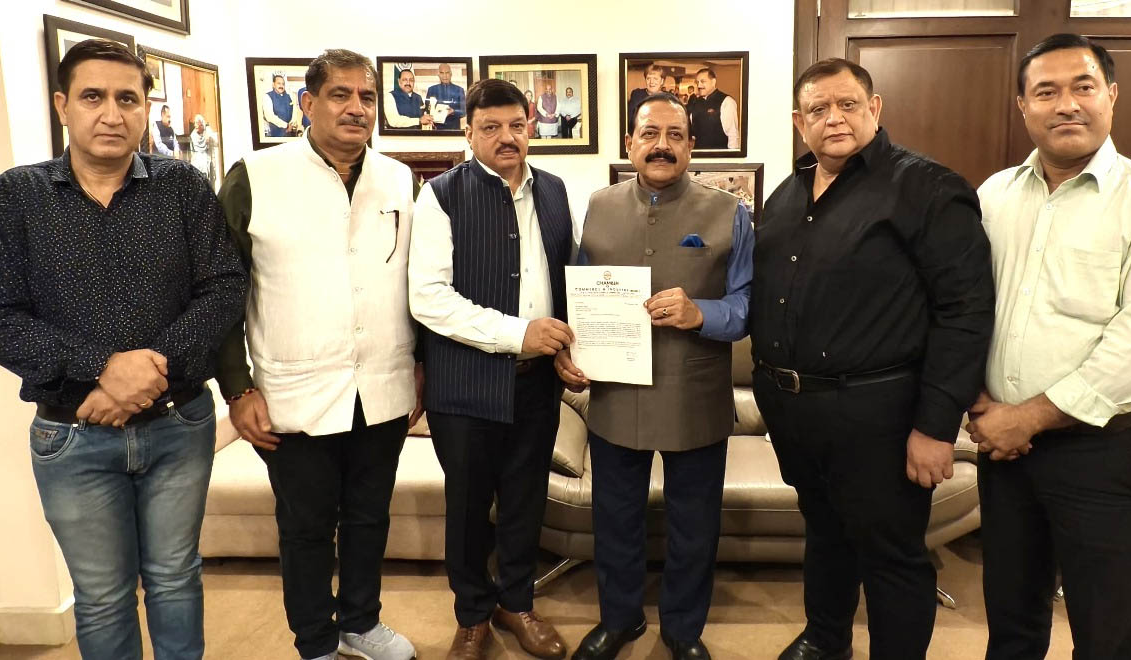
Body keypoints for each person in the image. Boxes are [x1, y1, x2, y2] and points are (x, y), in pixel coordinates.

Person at [0, 38, 247, 660]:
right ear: (63, 105)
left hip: (178, 426)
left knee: (176, 578)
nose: (112, 114)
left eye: (128, 99)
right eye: (93, 97)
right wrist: (103, 369)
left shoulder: (182, 187)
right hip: (72, 435)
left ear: (146, 109)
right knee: (101, 597)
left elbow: (225, 285)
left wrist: (150, 370)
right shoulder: (18, 196)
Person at [969, 33, 1131, 660]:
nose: (1066, 104)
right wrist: (980, 401)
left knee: (1108, 636)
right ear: (1023, 106)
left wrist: (1027, 417)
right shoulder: (993, 197)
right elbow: (966, 308)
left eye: (1083, 87)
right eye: (1046, 91)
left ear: (1111, 96)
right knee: (1012, 627)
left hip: (1106, 452)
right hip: (1006, 452)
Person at [751, 58, 994, 660]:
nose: (833, 118)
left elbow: (964, 313)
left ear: (874, 108)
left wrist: (936, 426)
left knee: (892, 556)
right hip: (794, 411)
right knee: (824, 532)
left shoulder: (927, 188)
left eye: (847, 104)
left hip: (879, 412)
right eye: (818, 109)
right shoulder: (786, 195)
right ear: (799, 122)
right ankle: (825, 638)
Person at [215, 49, 421, 660]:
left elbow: (416, 284)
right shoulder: (256, 176)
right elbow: (219, 292)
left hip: (382, 387)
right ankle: (316, 642)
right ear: (307, 103)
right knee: (305, 528)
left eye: (367, 97)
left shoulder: (399, 179)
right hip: (292, 393)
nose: (357, 108)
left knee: (369, 518)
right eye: (340, 95)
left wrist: (422, 366)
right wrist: (237, 387)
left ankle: (361, 623)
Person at [559, 92, 753, 660]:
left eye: (675, 135)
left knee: (694, 525)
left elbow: (747, 305)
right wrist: (569, 348)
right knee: (615, 519)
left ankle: (683, 630)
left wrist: (701, 312)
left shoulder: (729, 212)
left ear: (692, 146)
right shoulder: (597, 207)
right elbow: (580, 294)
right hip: (615, 394)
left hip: (695, 394)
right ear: (630, 144)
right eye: (650, 134)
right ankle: (619, 620)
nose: (661, 145)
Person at [408, 78, 575, 660]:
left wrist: (568, 344)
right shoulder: (440, 196)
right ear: (468, 132)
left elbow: (566, 279)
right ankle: (473, 614)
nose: (507, 137)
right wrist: (517, 334)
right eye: (491, 127)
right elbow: (428, 298)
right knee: (468, 510)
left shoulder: (554, 190)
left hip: (537, 385)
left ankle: (517, 603)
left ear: (531, 126)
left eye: (516, 126)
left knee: (526, 502)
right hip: (464, 388)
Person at [687, 69, 739, 150]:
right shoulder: (695, 103)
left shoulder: (727, 101)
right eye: (697, 82)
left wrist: (732, 156)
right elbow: (693, 133)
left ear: (713, 82)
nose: (699, 85)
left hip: (719, 155)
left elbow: (733, 135)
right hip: (698, 154)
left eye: (703, 81)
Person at [427, 63, 467, 130]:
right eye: (442, 73)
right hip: (436, 129)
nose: (445, 76)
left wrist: (453, 111)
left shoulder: (459, 90)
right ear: (438, 75)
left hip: (454, 129)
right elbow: (427, 110)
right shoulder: (431, 90)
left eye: (447, 73)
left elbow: (464, 111)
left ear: (451, 74)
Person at [626, 65, 665, 132]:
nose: (651, 82)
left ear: (662, 81)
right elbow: (629, 121)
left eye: (655, 79)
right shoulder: (637, 95)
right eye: (648, 78)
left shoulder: (668, 98)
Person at [261, 73, 301, 137]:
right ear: (273, 84)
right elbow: (269, 116)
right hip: (276, 134)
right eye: (279, 83)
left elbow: (294, 111)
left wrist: (292, 124)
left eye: (283, 84)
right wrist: (286, 125)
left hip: (290, 133)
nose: (281, 86)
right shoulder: (267, 96)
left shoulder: (289, 96)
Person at [188, 114, 220, 188]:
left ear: (201, 124)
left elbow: (217, 143)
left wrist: (209, 137)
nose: (195, 125)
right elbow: (192, 152)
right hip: (197, 162)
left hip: (208, 160)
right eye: (195, 123)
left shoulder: (207, 131)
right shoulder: (193, 136)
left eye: (197, 123)